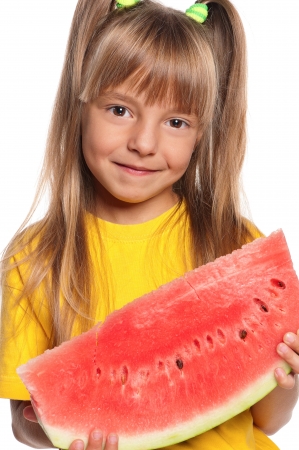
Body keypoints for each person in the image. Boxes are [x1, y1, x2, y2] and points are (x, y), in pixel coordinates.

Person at [0, 0, 298, 449]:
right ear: (80, 104)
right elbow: (25, 421)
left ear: (202, 134)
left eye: (176, 121)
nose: (143, 143)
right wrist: (74, 431)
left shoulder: (234, 244)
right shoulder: (37, 259)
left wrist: (286, 383)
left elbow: (268, 421)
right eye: (119, 111)